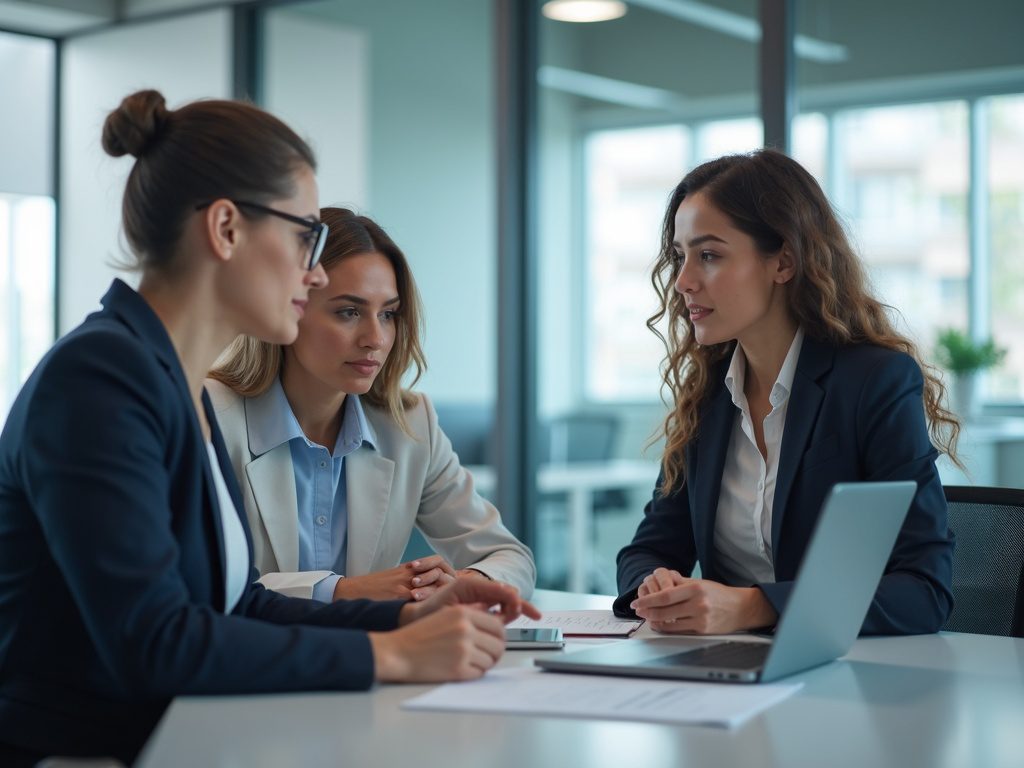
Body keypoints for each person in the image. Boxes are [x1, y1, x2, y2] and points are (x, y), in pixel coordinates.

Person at [0, 90, 537, 766]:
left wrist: (405, 616)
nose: (314, 272)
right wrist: (391, 653)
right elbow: (153, 641)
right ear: (226, 229)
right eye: (305, 235)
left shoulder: (166, 379)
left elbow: (239, 605)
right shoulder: (101, 378)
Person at [615, 149, 957, 637]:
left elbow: (924, 589)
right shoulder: (708, 394)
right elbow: (648, 549)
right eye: (679, 257)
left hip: (846, 669)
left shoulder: (874, 382)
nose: (684, 281)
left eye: (708, 255)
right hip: (722, 666)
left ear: (784, 262)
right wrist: (656, 584)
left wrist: (756, 607)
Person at [205, 207, 535, 602]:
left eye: (389, 314)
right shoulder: (209, 415)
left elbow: (510, 558)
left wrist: (462, 583)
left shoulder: (410, 425)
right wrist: (340, 591)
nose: (375, 339)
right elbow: (198, 585)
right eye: (349, 312)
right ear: (289, 307)